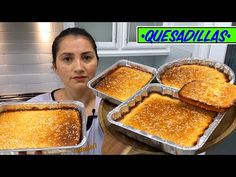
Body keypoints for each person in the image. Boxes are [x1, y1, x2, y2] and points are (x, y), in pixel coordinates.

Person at [28, 27, 103, 155]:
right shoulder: (34, 110)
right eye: (67, 59)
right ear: (55, 66)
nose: (79, 68)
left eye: (86, 57)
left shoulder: (113, 109)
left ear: (97, 62)